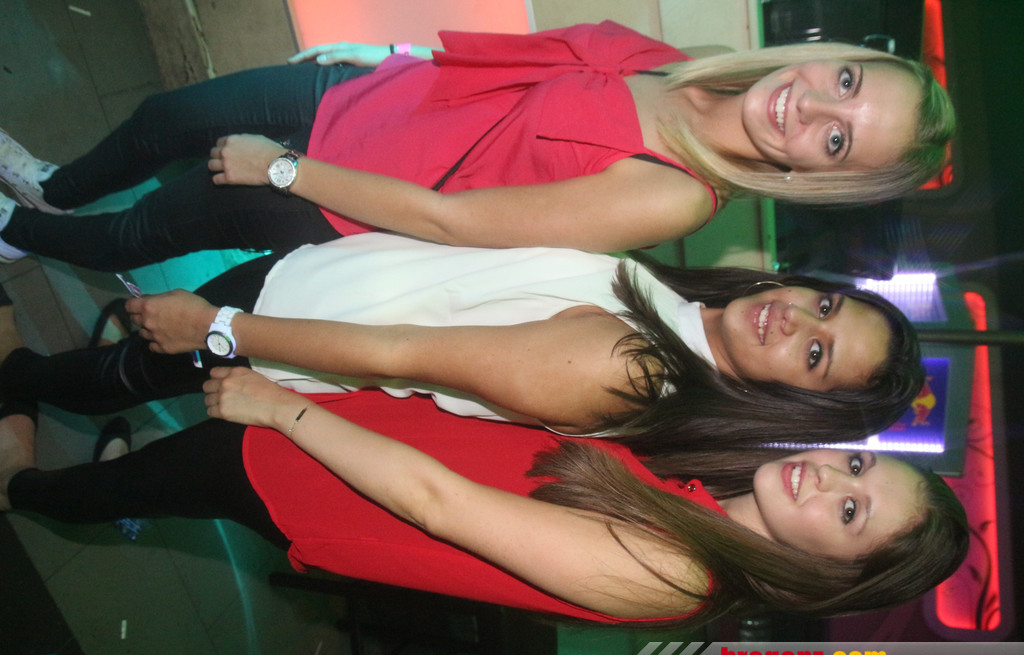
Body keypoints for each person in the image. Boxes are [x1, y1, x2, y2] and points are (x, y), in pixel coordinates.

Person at [0, 367, 968, 625]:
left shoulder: (679, 569)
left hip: (321, 479)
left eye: (850, 511)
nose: (828, 475)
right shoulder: (704, 505)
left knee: (155, 479)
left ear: (833, 572)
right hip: (348, 450)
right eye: (856, 466)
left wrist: (284, 411)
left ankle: (24, 483)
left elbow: (442, 506)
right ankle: (98, 474)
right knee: (166, 472)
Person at [0, 21, 954, 269]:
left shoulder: (672, 193)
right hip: (375, 95)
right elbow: (526, 73)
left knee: (150, 230)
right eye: (846, 83)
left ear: (818, 177)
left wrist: (282, 168)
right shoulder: (704, 66)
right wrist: (394, 56)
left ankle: (20, 233)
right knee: (165, 115)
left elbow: (453, 222)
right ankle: (57, 184)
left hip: (334, 188)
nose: (807, 108)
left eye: (838, 140)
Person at [0, 233, 922, 455]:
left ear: (794, 402)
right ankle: (28, 382)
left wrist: (222, 328)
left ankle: (18, 381)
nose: (796, 321)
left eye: (815, 356)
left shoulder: (638, 367)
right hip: (313, 289)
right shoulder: (674, 306)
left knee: (118, 371)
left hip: (292, 330)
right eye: (825, 307)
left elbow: (404, 355)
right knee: (125, 367)